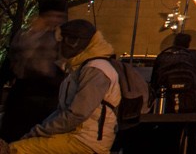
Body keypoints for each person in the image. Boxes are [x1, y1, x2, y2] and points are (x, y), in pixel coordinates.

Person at [3, 20, 122, 154]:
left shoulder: (96, 69)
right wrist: (38, 130)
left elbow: (76, 114)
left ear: (73, 43)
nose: (57, 48)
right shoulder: (79, 68)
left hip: (86, 140)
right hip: (76, 135)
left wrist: (39, 131)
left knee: (17, 150)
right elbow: (62, 111)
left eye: (60, 43)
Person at [1, 0, 68, 141]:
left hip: (45, 95)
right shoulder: (27, 35)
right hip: (25, 94)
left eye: (60, 17)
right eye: (54, 16)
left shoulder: (60, 37)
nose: (57, 20)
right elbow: (12, 61)